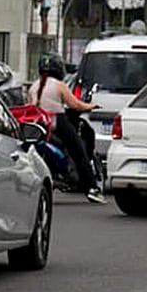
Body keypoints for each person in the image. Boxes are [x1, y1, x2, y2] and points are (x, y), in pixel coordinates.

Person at [32, 53, 101, 202]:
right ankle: (92, 188)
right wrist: (91, 106)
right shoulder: (59, 85)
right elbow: (75, 104)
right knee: (78, 151)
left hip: (39, 123)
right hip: (57, 120)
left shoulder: (34, 86)